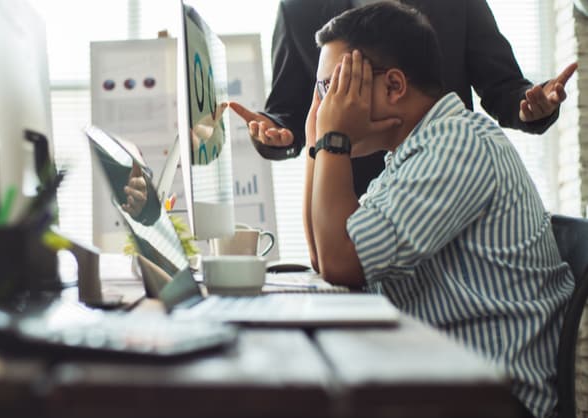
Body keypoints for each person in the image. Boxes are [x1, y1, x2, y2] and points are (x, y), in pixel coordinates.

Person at [303, 3, 574, 418]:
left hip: (490, 401)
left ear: (393, 86)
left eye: (335, 87)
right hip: (443, 383)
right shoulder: (409, 158)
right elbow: (325, 258)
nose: (325, 107)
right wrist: (316, 143)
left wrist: (332, 139)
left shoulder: (456, 144)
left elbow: (341, 261)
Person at [230, 0, 577, 196]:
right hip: (351, 189)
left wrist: (532, 106)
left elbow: (503, 86)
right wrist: (276, 134)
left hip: (444, 177)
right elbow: (287, 111)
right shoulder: (299, 10)